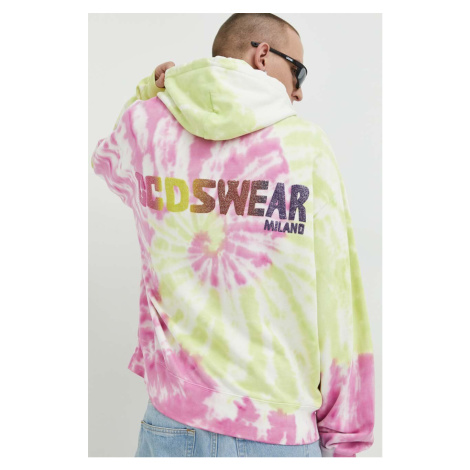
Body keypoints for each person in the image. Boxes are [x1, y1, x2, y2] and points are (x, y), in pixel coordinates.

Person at [91, 13, 375, 458]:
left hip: (171, 422)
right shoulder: (305, 146)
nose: (298, 91)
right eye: (298, 72)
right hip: (276, 431)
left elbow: (108, 163)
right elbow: (339, 297)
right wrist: (345, 439)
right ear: (262, 55)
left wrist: (150, 91)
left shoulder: (145, 129)